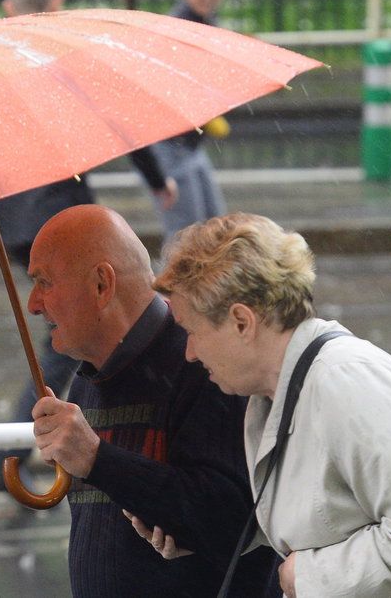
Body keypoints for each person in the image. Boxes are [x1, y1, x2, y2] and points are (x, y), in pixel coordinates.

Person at [147, 211, 391, 597]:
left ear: (242, 321)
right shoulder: (274, 394)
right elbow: (326, 514)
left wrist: (306, 577)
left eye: (192, 331)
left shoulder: (347, 384)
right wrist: (204, 527)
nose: (188, 352)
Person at [0, 0, 178, 491]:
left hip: (13, 222)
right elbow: (121, 124)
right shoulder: (59, 60)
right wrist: (158, 179)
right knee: (87, 332)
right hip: (61, 218)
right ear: (58, 5)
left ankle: (19, 454)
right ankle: (14, 455)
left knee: (65, 336)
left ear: (8, 9)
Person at [28, 205, 280, 597]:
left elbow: (235, 518)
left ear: (101, 285)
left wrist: (97, 458)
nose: (33, 303)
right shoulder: (86, 381)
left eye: (44, 282)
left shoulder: (205, 362)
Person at [146, 0, 233, 247]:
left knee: (215, 228)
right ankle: (165, 294)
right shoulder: (179, 29)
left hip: (191, 144)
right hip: (170, 144)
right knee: (186, 238)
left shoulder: (208, 23)